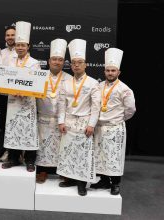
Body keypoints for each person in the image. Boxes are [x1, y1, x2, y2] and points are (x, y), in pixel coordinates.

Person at [57, 39, 100, 196]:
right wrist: (61, 121)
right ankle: (69, 178)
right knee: (68, 151)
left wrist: (91, 125)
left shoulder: (93, 83)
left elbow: (96, 107)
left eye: (80, 62)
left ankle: (81, 183)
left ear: (85, 64)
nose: (76, 65)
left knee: (82, 153)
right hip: (68, 121)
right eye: (74, 62)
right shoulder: (66, 83)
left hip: (84, 122)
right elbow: (61, 104)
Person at [91, 48, 136, 195]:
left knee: (114, 156)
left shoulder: (125, 89)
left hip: (115, 128)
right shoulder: (99, 86)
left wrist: (118, 119)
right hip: (99, 127)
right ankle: (104, 181)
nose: (110, 73)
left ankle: (116, 183)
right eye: (108, 70)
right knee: (100, 155)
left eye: (113, 70)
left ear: (118, 72)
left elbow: (131, 110)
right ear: (104, 71)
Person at [1, 21, 41, 172]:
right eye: (18, 45)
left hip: (28, 102)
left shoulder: (34, 63)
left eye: (23, 45)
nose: (19, 47)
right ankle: (13, 158)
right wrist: (11, 89)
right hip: (12, 101)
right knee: (13, 129)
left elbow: (36, 84)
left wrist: (24, 91)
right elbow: (4, 80)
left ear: (28, 46)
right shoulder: (9, 61)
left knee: (28, 131)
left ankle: (30, 160)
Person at [36, 39, 72, 183]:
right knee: (43, 145)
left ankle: (63, 171)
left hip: (61, 119)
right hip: (43, 117)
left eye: (60, 60)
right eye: (54, 59)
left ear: (64, 62)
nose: (57, 62)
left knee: (62, 145)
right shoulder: (40, 77)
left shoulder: (69, 79)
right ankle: (42, 171)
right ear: (49, 61)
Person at [0, 26, 17, 162]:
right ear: (5, 37)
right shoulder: (1, 52)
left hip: (19, 95)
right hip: (5, 95)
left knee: (18, 123)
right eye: (8, 35)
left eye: (13, 35)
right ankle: (8, 150)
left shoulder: (23, 52)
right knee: (6, 123)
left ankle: (19, 152)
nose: (10, 37)